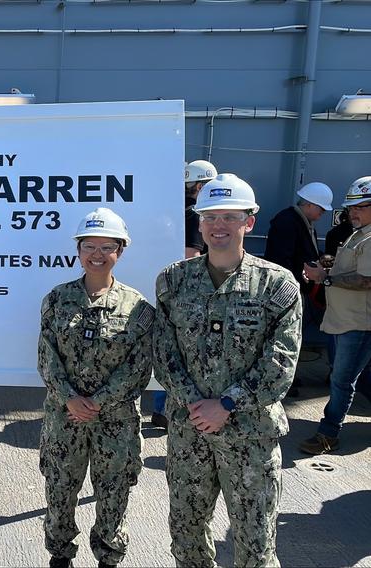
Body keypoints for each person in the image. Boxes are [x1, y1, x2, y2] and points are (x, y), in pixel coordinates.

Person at [154, 173, 302, 567]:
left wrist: (226, 404)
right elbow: (164, 351)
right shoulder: (174, 279)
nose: (218, 226)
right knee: (186, 536)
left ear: (248, 222)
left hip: (251, 436)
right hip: (189, 432)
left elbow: (281, 361)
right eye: (210, 216)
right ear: (199, 222)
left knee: (256, 544)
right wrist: (195, 403)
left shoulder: (277, 284)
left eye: (230, 217)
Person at [38, 207, 154, 568]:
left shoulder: (138, 308)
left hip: (115, 423)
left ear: (121, 250)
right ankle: (60, 555)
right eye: (89, 245)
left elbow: (138, 368)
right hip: (64, 419)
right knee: (59, 492)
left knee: (113, 495)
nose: (97, 255)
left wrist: (97, 402)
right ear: (78, 249)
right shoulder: (57, 299)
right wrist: (70, 398)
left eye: (107, 246)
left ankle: (109, 558)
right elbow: (47, 357)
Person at [300, 176, 371, 455]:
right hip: (344, 321)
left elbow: (366, 279)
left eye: (360, 207)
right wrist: (330, 264)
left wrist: (325, 276)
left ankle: (329, 432)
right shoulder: (359, 233)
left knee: (342, 380)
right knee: (349, 378)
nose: (353, 212)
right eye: (351, 207)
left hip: (358, 323)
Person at [151, 160, 216, 429]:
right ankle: (167, 411)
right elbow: (192, 256)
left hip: (164, 286)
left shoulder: (168, 210)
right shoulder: (194, 216)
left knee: (167, 351)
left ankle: (159, 409)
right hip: (186, 293)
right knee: (184, 354)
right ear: (199, 186)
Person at [263, 182, 334, 396]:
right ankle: (281, 380)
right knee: (284, 337)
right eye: (321, 209)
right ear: (310, 205)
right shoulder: (288, 223)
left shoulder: (295, 221)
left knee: (287, 336)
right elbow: (281, 260)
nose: (322, 214)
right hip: (285, 291)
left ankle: (285, 378)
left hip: (289, 288)